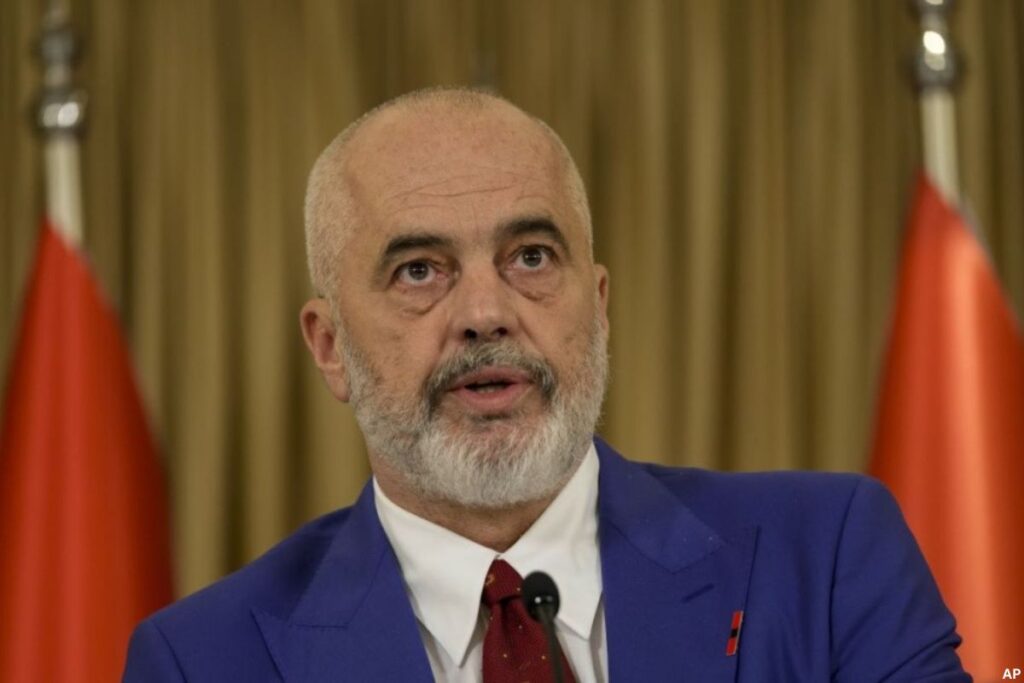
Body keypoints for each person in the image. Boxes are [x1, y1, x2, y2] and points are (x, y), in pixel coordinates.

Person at [123, 88, 969, 682]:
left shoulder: (826, 560)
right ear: (329, 346)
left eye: (530, 257)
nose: (486, 313)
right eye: (420, 270)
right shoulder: (202, 661)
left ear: (598, 306)